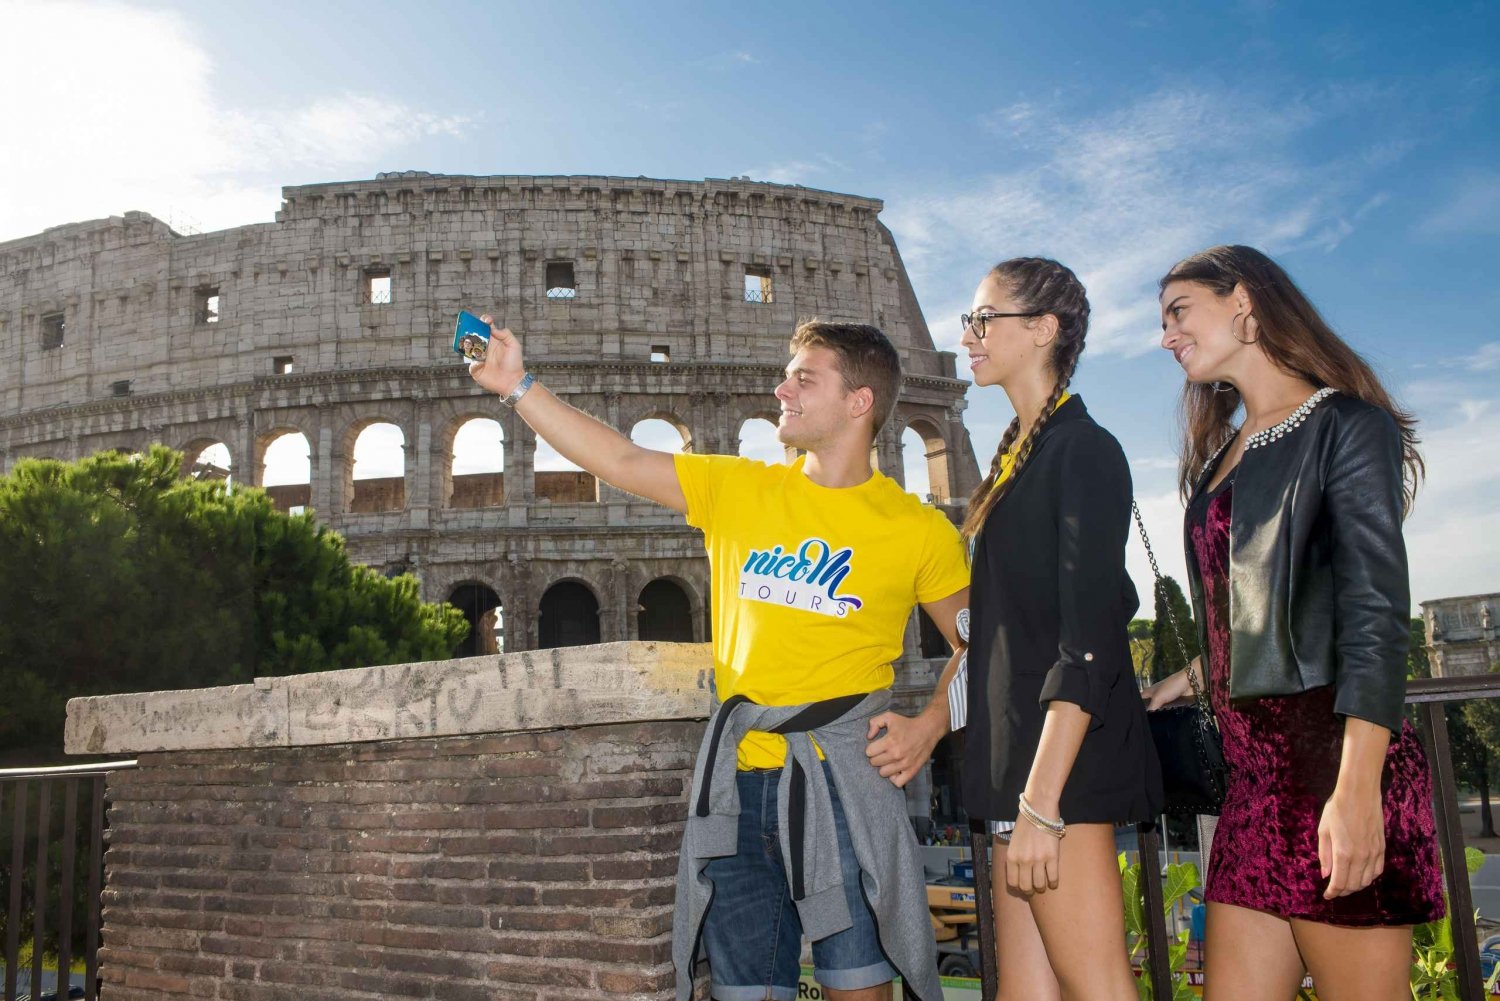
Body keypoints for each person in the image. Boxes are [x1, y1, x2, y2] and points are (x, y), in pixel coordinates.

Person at [466, 315, 970, 1001]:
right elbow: (618, 459)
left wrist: (930, 723)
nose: (779, 388)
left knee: (859, 989)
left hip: (843, 787)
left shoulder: (917, 528)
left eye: (803, 377)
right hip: (736, 788)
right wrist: (517, 386)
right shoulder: (742, 489)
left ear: (859, 402)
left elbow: (981, 644)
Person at [1146, 245, 1443, 999]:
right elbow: (1255, 605)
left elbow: (1376, 617)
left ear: (1243, 302)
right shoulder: (1222, 452)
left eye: (1179, 312)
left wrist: (1356, 792)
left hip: (1334, 765)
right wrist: (1193, 673)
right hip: (1255, 782)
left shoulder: (1346, 423)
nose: (1165, 335)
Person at [953, 258, 1162, 1001]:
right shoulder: (1022, 455)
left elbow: (1089, 639)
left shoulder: (1082, 449)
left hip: (1056, 779)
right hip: (1025, 772)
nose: (970, 336)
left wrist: (1040, 804)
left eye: (985, 318)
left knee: (1098, 987)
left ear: (1042, 329)